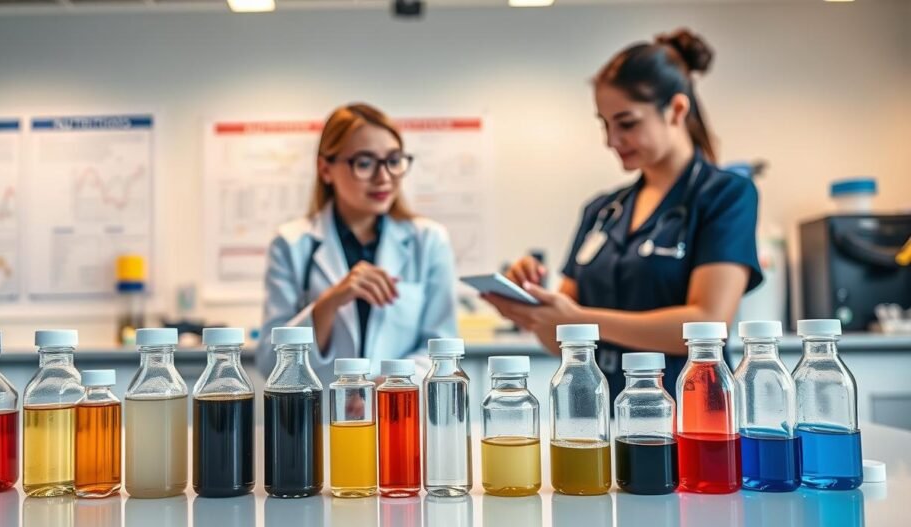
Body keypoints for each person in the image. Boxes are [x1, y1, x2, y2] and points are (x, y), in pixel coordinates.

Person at [483, 29, 763, 400]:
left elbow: (709, 322)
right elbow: (561, 339)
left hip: (688, 412)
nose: (611, 140)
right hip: (601, 413)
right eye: (604, 123)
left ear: (676, 110)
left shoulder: (724, 194)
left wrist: (580, 321)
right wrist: (531, 305)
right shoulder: (602, 211)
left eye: (626, 123)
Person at [257, 103, 458, 385]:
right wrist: (328, 303)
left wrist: (387, 384)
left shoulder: (429, 241)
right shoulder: (291, 243)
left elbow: (442, 351)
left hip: (399, 413)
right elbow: (269, 361)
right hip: (321, 417)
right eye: (364, 163)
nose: (384, 177)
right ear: (325, 169)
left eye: (393, 160)